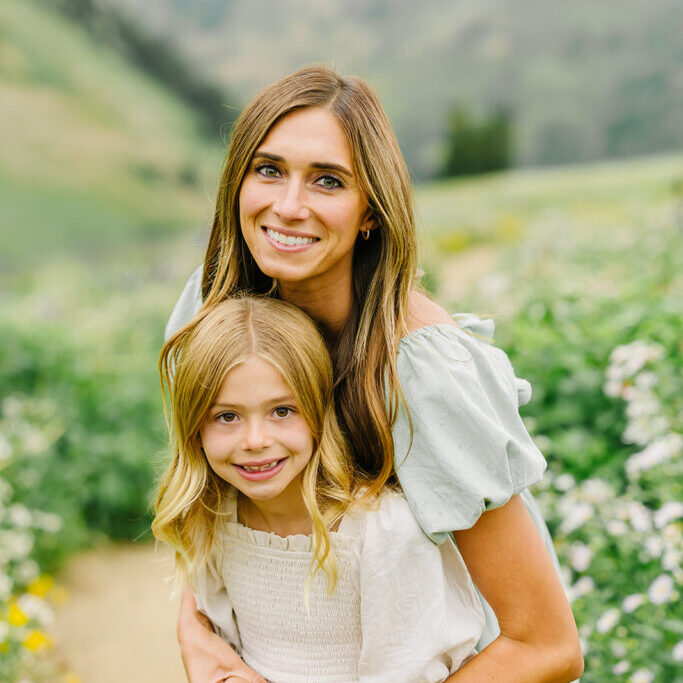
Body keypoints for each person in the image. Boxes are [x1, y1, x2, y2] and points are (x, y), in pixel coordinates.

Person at [166, 66, 584, 682]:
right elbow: (210, 505)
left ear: (370, 212)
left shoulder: (420, 369)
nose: (288, 206)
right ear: (237, 182)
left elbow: (544, 645)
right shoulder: (216, 311)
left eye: (327, 181)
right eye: (269, 169)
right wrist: (196, 637)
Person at [154, 296, 485, 683]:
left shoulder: (383, 532)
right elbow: (224, 649)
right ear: (195, 429)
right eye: (227, 416)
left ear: (318, 412)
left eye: (282, 411)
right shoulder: (215, 518)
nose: (256, 440)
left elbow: (406, 671)